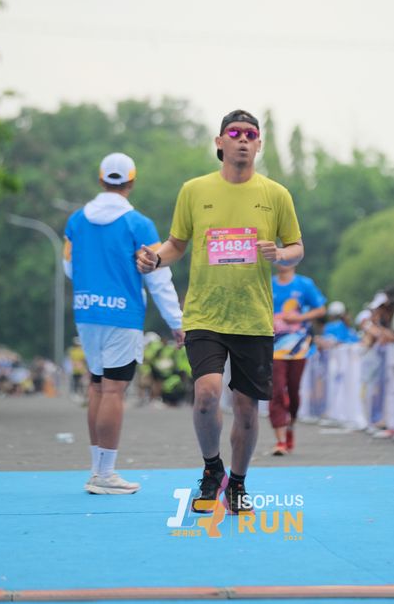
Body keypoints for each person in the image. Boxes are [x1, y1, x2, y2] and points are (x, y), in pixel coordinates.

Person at [137, 110, 303, 514]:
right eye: (235, 133)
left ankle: (238, 484)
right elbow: (176, 244)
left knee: (246, 409)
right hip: (205, 314)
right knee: (207, 394)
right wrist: (155, 258)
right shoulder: (194, 190)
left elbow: (297, 248)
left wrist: (281, 254)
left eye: (250, 134)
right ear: (220, 142)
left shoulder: (276, 195)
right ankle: (213, 470)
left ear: (258, 144)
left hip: (253, 317)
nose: (243, 139)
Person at [64, 153, 184, 495]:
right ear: (131, 182)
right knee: (114, 390)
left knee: (97, 386)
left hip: (86, 311)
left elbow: (69, 268)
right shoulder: (139, 225)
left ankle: (96, 469)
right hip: (122, 314)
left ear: (101, 180)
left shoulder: (75, 221)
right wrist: (177, 321)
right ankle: (105, 474)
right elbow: (158, 277)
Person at [270, 264, 326, 455]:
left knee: (293, 391)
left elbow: (320, 309)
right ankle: (280, 441)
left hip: (298, 348)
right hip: (274, 347)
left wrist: (299, 318)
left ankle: (290, 424)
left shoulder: (304, 284)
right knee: (277, 390)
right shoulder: (268, 284)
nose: (281, 261)